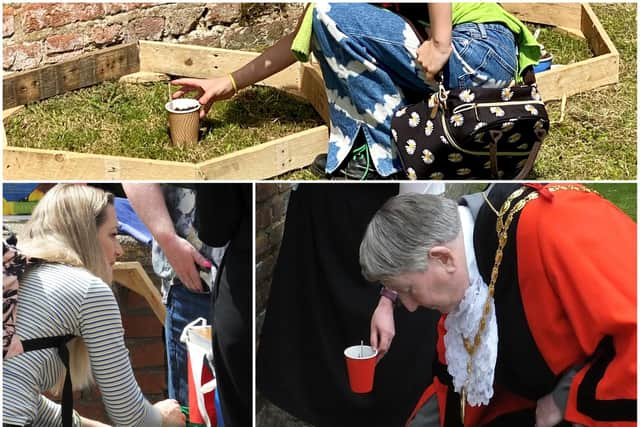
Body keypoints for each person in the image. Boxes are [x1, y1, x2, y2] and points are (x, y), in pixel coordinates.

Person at [359, 183, 636, 426]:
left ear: (443, 259)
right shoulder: (466, 293)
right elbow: (454, 394)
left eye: (409, 290)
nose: (409, 306)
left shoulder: (557, 224)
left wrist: (565, 398)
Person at [170, 3, 539, 179]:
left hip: (472, 51)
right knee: (327, 17)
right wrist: (228, 83)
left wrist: (441, 43)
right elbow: (304, 34)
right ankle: (409, 145)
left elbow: (324, 17)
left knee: (330, 14)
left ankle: (385, 163)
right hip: (489, 62)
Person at [257, 183, 443, 426]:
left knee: (396, 361)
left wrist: (389, 297)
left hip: (383, 232)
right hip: (321, 231)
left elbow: (421, 205)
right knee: (318, 348)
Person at [3, 184, 185, 427]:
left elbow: (20, 395)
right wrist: (162, 418)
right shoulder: (88, 290)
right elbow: (130, 416)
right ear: (85, 234)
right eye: (112, 234)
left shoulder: (20, 275)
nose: (119, 249)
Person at [122, 183, 225, 410]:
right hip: (194, 283)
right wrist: (168, 240)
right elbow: (135, 173)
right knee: (195, 409)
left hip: (237, 278)